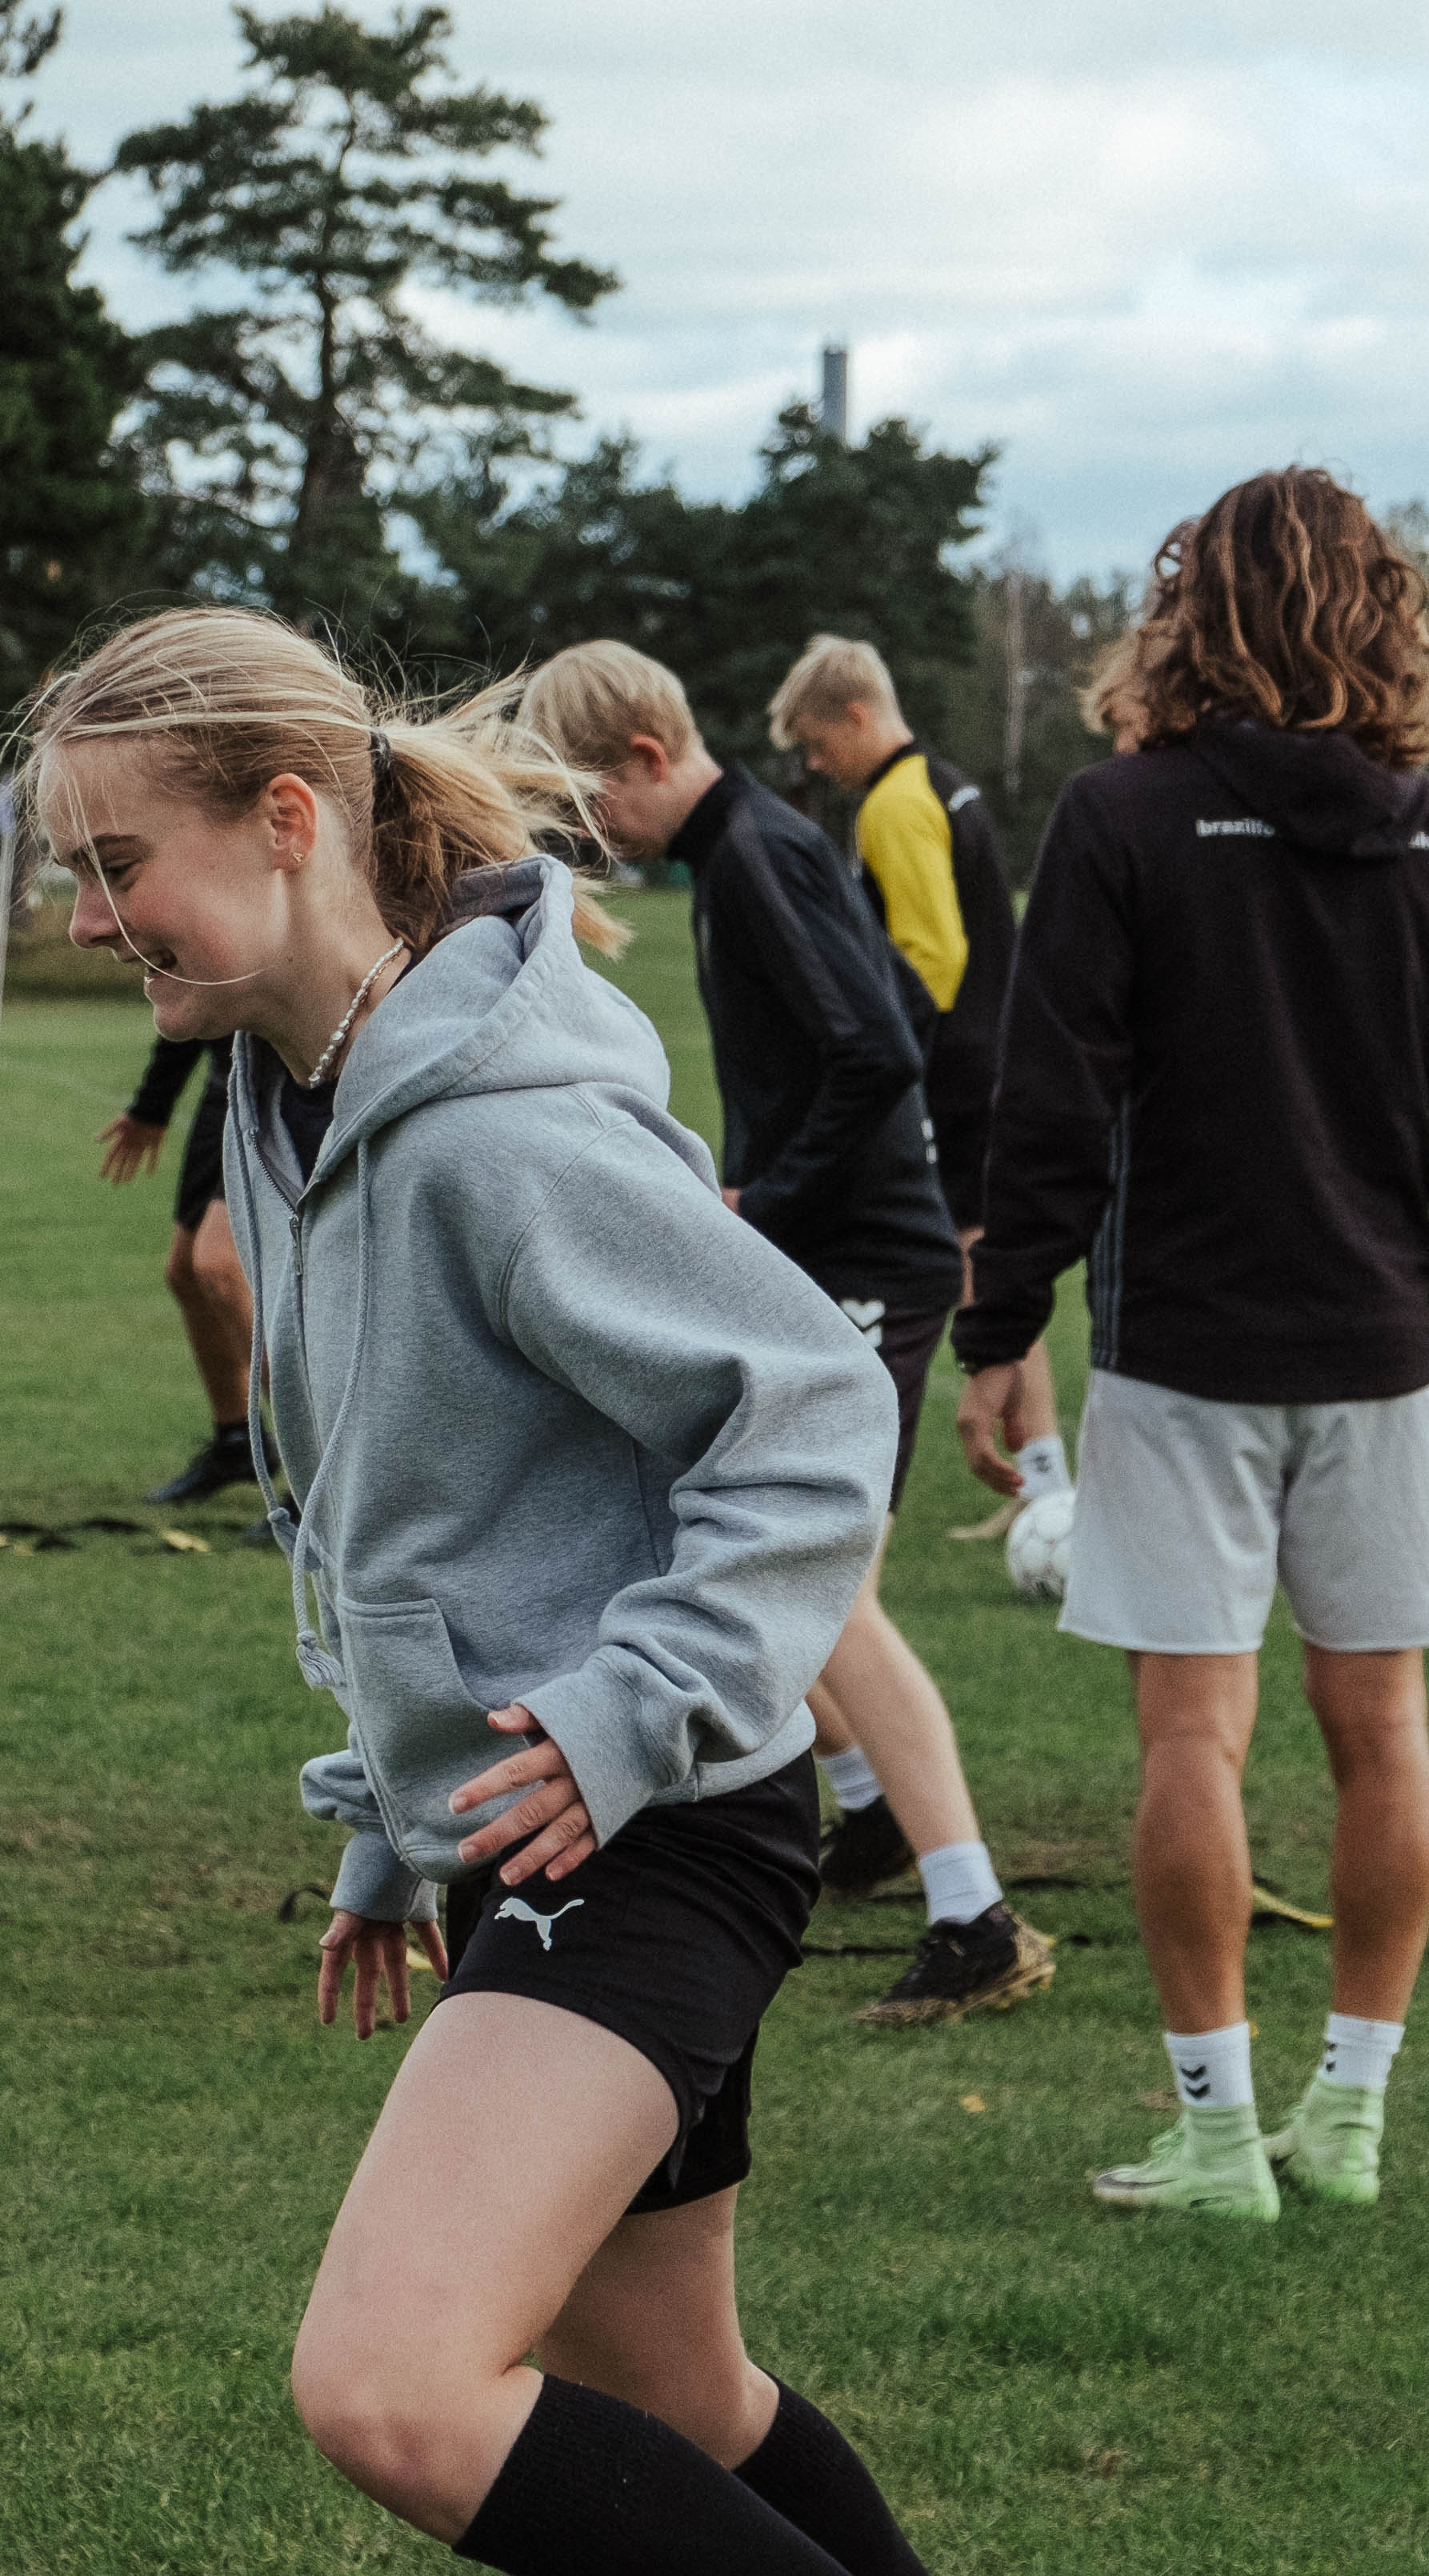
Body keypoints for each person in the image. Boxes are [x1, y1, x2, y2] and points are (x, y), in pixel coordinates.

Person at [10, 604, 1130, 2576]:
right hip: (543, 1826)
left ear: (285, 822)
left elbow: (809, 1420)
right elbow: (418, 1516)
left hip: (657, 1828)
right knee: (671, 2380)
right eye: (71, 874)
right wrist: (383, 1828)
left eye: (119, 865)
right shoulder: (312, 1094)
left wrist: (623, 1723)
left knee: (395, 2384)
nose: (91, 921)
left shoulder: (500, 1124)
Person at [956, 469, 1429, 2222]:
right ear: (1383, 612)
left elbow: (1050, 1105)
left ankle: (1223, 2136)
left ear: (1189, 611)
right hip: (1384, 1357)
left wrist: (999, 1332)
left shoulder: (1122, 815)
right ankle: (1346, 2119)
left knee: (1190, 1743)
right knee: (1384, 1725)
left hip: (1181, 1355)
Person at [528, 638, 1051, 2029]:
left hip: (869, 1256)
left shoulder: (757, 854)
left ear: (647, 756)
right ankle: (875, 1821)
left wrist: (756, 1199)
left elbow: (873, 1051)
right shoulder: (747, 847)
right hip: (826, 1257)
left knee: (825, 1592)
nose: (592, 841)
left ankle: (975, 1914)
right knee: (758, 1559)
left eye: (589, 806)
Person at [772, 634, 1071, 1606]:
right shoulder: (948, 783)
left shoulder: (896, 802)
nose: (816, 764)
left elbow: (931, 955)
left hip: (957, 1074)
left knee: (982, 1263)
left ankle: (1045, 1491)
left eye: (818, 742)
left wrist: (885, 1056)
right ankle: (1043, 1487)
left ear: (858, 715)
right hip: (999, 1055)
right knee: (994, 1259)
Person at [93, 1032, 257, 1505]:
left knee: (220, 1267)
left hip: (289, 1077)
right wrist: (153, 1105)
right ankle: (236, 1442)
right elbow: (188, 988)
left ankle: (326, 1465)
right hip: (226, 1083)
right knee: (185, 1271)